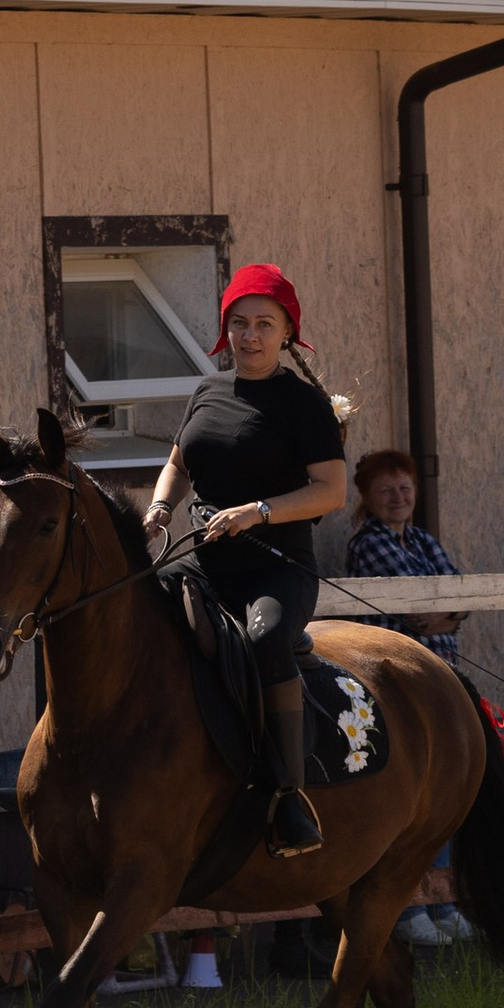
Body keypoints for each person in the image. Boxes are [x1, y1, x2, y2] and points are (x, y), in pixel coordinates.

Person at [144, 261, 349, 857]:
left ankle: (289, 795)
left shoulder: (303, 403)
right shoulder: (207, 391)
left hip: (275, 565)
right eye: (239, 323)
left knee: (263, 640)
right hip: (202, 559)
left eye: (264, 324)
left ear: (287, 331)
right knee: (129, 611)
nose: (250, 336)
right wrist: (160, 507)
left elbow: (330, 493)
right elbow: (179, 464)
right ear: (225, 329)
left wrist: (255, 511)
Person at [339, 446, 469, 944]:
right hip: (401, 685)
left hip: (442, 678)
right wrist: (445, 614)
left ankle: (441, 901)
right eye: (386, 491)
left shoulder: (419, 538)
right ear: (367, 498)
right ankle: (408, 910)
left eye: (405, 489)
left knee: (444, 795)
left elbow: (458, 592)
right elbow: (417, 609)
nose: (397, 498)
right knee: (409, 799)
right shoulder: (370, 542)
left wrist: (447, 612)